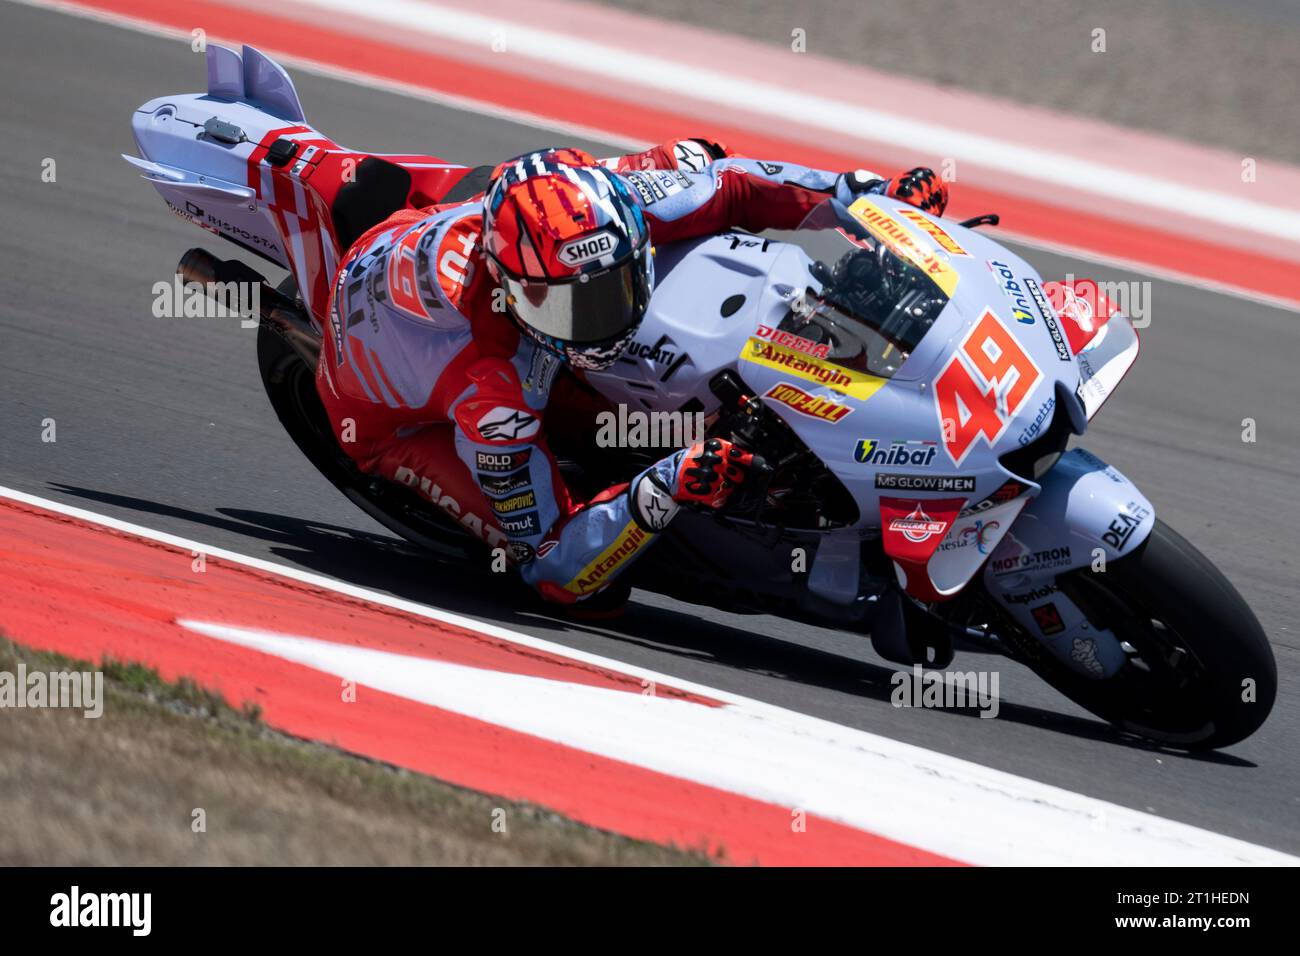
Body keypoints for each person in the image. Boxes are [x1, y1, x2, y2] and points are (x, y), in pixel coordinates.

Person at [316, 137, 949, 610]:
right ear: (513, 293)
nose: (601, 320)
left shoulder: (605, 203)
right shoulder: (492, 393)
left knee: (696, 156)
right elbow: (553, 565)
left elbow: (732, 184)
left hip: (460, 227)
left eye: (613, 287)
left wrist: (862, 201)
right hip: (381, 418)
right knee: (594, 594)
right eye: (570, 308)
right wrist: (665, 488)